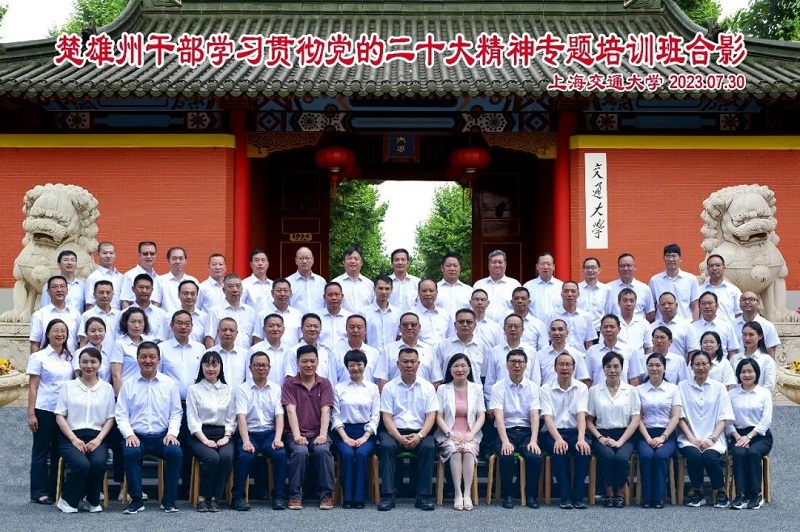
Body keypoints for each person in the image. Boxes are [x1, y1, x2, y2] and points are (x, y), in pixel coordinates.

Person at [115, 341, 183, 514]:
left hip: (162, 436)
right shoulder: (128, 384)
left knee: (175, 452)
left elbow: (176, 413)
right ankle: (136, 500)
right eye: (143, 357)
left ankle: (169, 501)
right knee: (130, 453)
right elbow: (121, 414)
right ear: (137, 359)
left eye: (152, 357)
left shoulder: (169, 384)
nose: (148, 360)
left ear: (159, 359)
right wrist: (129, 434)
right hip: (137, 436)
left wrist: (172, 433)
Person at [53, 347, 115, 513]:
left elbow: (110, 418)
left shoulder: (107, 388)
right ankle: (67, 500)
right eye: (85, 362)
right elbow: (59, 415)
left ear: (100, 364)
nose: (89, 365)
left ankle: (91, 500)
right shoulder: (69, 386)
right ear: (79, 364)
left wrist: (99, 439)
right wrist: (73, 439)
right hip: (70, 436)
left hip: (96, 436)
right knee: (81, 464)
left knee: (98, 462)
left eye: (93, 362)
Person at [378, 347, 439, 511]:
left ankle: (423, 496)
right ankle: (388, 496)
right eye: (405, 362)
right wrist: (399, 437)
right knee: (387, 446)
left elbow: (431, 417)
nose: (409, 365)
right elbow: (386, 417)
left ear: (418, 364)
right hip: (394, 432)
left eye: (412, 362)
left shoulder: (427, 387)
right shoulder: (389, 387)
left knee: (429, 447)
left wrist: (419, 436)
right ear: (398, 364)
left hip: (420, 431)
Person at [26, 318, 75, 505]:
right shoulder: (39, 357)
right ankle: (39, 492)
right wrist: (31, 414)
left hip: (64, 411)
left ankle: (56, 490)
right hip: (44, 408)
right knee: (41, 451)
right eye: (55, 330)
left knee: (58, 451)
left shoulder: (69, 357)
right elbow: (33, 387)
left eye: (63, 331)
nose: (59, 334)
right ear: (47, 334)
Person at [231, 351, 288, 511]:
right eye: (257, 365)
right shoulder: (242, 389)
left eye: (264, 365)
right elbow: (241, 417)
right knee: (244, 456)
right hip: (249, 433)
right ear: (250, 368)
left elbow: (279, 416)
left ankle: (279, 496)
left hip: (270, 433)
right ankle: (238, 497)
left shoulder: (276, 389)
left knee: (280, 454)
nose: (261, 368)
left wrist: (278, 438)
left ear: (269, 368)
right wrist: (246, 441)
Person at [678, 350, 735, 508]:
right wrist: (691, 438)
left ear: (710, 366)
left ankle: (721, 492)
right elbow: (679, 417)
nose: (701, 367)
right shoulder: (682, 387)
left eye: (704, 364)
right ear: (691, 367)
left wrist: (712, 438)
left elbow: (724, 417)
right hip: (689, 437)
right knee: (694, 456)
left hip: (714, 437)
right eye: (696, 364)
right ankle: (697, 491)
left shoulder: (719, 388)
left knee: (710, 457)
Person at [281, 344, 336, 510]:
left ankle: (326, 495)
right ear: (297, 363)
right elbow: (290, 411)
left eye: (312, 361)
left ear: (318, 362)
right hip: (295, 433)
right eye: (304, 361)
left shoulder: (324, 384)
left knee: (323, 450)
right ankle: (294, 495)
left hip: (318, 432)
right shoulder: (290, 384)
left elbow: (326, 410)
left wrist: (323, 435)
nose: (309, 365)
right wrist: (297, 436)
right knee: (300, 451)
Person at [586, 351, 641, 508]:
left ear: (622, 368)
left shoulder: (631, 390)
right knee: (608, 456)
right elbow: (589, 420)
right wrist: (600, 437)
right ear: (603, 369)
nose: (612, 370)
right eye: (608, 366)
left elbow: (635, 419)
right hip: (602, 434)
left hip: (625, 435)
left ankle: (621, 493)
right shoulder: (594, 391)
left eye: (616, 366)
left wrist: (620, 441)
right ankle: (609, 493)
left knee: (621, 458)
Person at [489, 349, 543, 509]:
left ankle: (531, 495)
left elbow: (534, 415)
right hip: (505, 431)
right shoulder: (498, 387)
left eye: (520, 362)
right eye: (513, 362)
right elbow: (498, 416)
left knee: (534, 456)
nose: (517, 365)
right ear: (507, 365)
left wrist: (534, 440)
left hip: (526, 432)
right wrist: (505, 441)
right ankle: (508, 495)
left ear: (526, 365)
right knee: (506, 455)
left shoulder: (533, 387)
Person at [540, 352, 591, 510]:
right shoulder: (546, 389)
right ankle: (565, 496)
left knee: (584, 450)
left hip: (575, 432)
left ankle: (578, 496)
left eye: (568, 364)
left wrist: (581, 438)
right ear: (554, 368)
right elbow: (547, 418)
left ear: (574, 368)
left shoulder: (581, 388)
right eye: (561, 364)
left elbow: (581, 415)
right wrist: (558, 439)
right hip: (553, 433)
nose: (564, 368)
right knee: (559, 451)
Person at [434, 353, 485, 511]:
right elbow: (438, 416)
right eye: (456, 366)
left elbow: (481, 415)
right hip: (448, 434)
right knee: (455, 450)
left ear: (469, 368)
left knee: (468, 451)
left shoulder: (477, 389)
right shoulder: (442, 389)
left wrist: (471, 434)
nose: (460, 369)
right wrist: (449, 433)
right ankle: (457, 493)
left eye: (463, 365)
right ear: (450, 369)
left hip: (470, 433)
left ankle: (467, 493)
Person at [186, 351, 235, 512]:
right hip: (200, 435)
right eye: (207, 365)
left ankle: (215, 497)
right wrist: (205, 440)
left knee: (226, 456)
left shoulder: (228, 390)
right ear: (201, 367)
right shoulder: (194, 389)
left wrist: (226, 436)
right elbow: (192, 419)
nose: (211, 369)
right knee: (212, 458)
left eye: (215, 365)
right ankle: (202, 496)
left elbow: (231, 417)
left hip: (223, 433)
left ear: (220, 367)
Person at [332, 349, 380, 509]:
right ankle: (347, 496)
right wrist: (345, 437)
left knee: (360, 454)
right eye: (352, 365)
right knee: (346, 454)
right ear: (347, 367)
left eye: (359, 364)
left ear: (365, 366)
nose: (356, 368)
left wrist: (365, 437)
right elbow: (335, 416)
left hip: (366, 433)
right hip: (343, 432)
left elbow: (375, 416)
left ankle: (359, 497)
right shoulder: (339, 388)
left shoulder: (373, 388)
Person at [636, 353, 682, 509]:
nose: (654, 368)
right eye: (651, 365)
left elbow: (676, 416)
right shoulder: (639, 390)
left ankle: (659, 497)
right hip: (645, 433)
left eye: (658, 365)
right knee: (646, 455)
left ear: (664, 368)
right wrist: (648, 438)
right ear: (646, 368)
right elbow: (637, 418)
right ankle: (647, 497)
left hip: (667, 434)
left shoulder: (673, 389)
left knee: (661, 456)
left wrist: (663, 437)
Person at [727, 358, 773, 510]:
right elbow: (727, 419)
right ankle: (740, 494)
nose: (747, 375)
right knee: (739, 453)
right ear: (738, 374)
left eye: (750, 371)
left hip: (760, 435)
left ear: (756, 373)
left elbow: (766, 420)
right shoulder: (732, 394)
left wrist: (749, 437)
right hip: (738, 435)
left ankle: (755, 495)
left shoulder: (764, 393)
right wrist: (737, 436)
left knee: (753, 453)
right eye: (743, 372)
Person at [585, 315, 642, 387]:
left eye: (612, 327)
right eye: (605, 327)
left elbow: (634, 378)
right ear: (600, 329)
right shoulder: (591, 351)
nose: (608, 330)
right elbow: (588, 380)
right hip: (598, 393)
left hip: (623, 392)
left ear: (619, 329)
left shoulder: (629, 351)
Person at [435, 308, 490, 382]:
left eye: (469, 322)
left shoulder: (482, 347)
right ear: (455, 325)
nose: (465, 325)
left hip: (475, 388)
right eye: (461, 322)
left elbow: (483, 374)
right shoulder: (443, 346)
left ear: (475, 325)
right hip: (449, 388)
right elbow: (438, 373)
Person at [205, 273, 257, 350]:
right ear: (223, 290)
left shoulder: (251, 311)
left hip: (246, 355)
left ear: (242, 289)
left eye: (238, 286)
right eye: (231, 286)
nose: (235, 290)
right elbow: (209, 339)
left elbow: (256, 339)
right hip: (221, 355)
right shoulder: (215, 311)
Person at [30, 276, 81, 354]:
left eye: (62, 286)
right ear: (48, 291)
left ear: (67, 291)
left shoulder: (75, 314)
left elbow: (80, 342)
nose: (59, 290)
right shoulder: (39, 315)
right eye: (55, 287)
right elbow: (35, 343)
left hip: (71, 359)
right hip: (47, 360)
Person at [648, 244, 700, 321]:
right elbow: (651, 307)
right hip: (662, 325)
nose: (671, 259)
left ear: (680, 259)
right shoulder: (655, 281)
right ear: (664, 259)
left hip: (685, 323)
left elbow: (695, 306)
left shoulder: (691, 279)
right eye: (668, 256)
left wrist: (695, 324)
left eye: (674, 256)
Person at [111, 307, 152, 395]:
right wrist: (120, 397)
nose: (136, 325)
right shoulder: (120, 344)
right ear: (126, 323)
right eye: (133, 321)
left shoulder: (149, 343)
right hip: (127, 392)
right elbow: (116, 375)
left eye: (140, 322)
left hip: (146, 391)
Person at [604, 253, 655, 323]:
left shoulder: (644, 288)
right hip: (616, 327)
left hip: (638, 327)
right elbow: (605, 312)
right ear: (618, 268)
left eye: (628, 265)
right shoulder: (608, 288)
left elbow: (650, 314)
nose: (625, 269)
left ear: (635, 267)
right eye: (622, 266)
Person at [474, 250, 520, 322]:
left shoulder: (514, 284)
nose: (497, 265)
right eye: (493, 262)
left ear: (505, 264)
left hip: (508, 326)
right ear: (488, 265)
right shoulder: (479, 285)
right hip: (483, 326)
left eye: (500, 262)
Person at [650, 291, 699, 360]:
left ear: (676, 305)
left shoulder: (686, 326)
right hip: (656, 365)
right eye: (663, 304)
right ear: (658, 307)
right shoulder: (652, 327)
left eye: (670, 303)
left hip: (679, 366)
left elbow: (693, 351)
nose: (666, 306)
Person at [730, 321, 776, 392]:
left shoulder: (767, 360)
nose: (747, 338)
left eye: (751, 335)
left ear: (760, 336)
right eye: (744, 335)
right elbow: (732, 385)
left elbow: (769, 386)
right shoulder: (735, 359)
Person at [692, 292, 740, 357]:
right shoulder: (692, 327)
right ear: (699, 306)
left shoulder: (726, 327)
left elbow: (733, 351)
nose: (707, 306)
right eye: (703, 303)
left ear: (717, 306)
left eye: (710, 303)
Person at [249, 313, 292, 387]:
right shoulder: (255, 350)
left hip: (285, 392)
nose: (275, 329)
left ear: (283, 329)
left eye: (278, 326)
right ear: (264, 329)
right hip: (261, 391)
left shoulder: (289, 350)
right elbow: (250, 377)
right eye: (271, 326)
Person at [79, 280, 121, 352]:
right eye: (101, 292)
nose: (105, 296)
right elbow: (83, 342)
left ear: (113, 294)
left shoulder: (119, 315)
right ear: (94, 294)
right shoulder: (87, 315)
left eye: (108, 292)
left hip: (116, 355)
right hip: (95, 356)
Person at [734, 293, 780, 358]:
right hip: (737, 362)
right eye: (743, 299)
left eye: (751, 299)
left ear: (758, 302)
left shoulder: (768, 326)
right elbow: (731, 350)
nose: (747, 302)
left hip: (760, 363)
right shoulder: (732, 325)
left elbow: (770, 350)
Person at [699, 254, 741, 323]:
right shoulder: (699, 290)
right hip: (705, 329)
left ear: (724, 268)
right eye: (711, 266)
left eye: (718, 265)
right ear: (707, 269)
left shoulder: (734, 290)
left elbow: (739, 314)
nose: (714, 268)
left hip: (728, 329)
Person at [333, 246, 375, 315]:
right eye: (349, 258)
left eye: (356, 259)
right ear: (344, 262)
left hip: (365, 321)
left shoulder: (370, 284)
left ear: (361, 263)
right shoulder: (335, 283)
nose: (352, 261)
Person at [365, 274, 401, 354]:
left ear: (392, 289)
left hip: (392, 355)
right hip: (371, 355)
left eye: (387, 289)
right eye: (380, 288)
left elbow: (399, 336)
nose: (384, 292)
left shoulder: (398, 313)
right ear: (374, 288)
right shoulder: (364, 312)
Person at [121, 241, 163, 309]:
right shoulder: (130, 276)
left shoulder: (158, 278)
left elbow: (157, 302)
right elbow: (125, 302)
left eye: (152, 254)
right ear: (139, 255)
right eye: (145, 254)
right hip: (134, 314)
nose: (149, 256)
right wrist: (129, 315)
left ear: (156, 255)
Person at [523, 251, 563, 322]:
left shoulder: (561, 286)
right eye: (542, 264)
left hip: (556, 327)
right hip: (534, 327)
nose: (545, 267)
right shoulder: (528, 286)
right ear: (537, 266)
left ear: (553, 267)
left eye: (548, 264)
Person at [577, 257, 610, 340]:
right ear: (583, 270)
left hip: (599, 332)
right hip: (580, 332)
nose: (590, 270)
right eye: (587, 267)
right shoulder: (576, 289)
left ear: (599, 270)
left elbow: (608, 311)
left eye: (593, 267)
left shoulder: (606, 289)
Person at [158, 247, 199, 315]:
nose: (177, 261)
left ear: (186, 261)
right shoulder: (160, 280)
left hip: (189, 319)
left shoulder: (193, 280)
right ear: (168, 260)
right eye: (174, 258)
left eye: (181, 258)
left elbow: (197, 304)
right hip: (167, 320)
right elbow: (156, 305)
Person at [129, 274, 170, 342]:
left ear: (152, 290)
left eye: (147, 288)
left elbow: (164, 338)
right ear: (133, 289)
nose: (144, 291)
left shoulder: (162, 314)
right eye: (141, 287)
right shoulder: (125, 313)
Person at [84, 241, 123, 310]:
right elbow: (90, 304)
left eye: (111, 253)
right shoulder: (93, 277)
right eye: (104, 253)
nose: (108, 256)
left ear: (115, 255)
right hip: (99, 316)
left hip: (118, 315)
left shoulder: (121, 277)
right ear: (98, 254)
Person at [289, 246, 327, 315]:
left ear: (313, 260)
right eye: (301, 258)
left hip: (319, 320)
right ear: (296, 260)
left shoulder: (321, 281)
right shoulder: (288, 282)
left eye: (307, 258)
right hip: (297, 320)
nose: (304, 261)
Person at [415, 279, 454, 345]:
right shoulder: (411, 315)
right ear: (418, 293)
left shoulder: (445, 314)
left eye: (431, 291)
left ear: (436, 293)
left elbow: (451, 336)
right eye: (424, 291)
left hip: (443, 351)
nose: (428, 294)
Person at [76, 317, 113, 383]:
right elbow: (78, 378)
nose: (97, 334)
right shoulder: (79, 352)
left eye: (100, 330)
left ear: (105, 332)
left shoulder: (109, 353)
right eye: (93, 331)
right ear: (86, 333)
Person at [318, 281, 352, 347]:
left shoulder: (350, 318)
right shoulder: (316, 317)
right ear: (324, 297)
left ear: (342, 296)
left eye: (336, 294)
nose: (334, 298)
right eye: (330, 295)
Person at [389, 248, 420, 312]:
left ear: (408, 263)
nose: (400, 262)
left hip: (411, 318)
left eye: (403, 260)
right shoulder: (385, 282)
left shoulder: (417, 282)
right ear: (392, 263)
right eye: (396, 260)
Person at [177, 279, 207, 344]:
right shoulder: (169, 316)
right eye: (185, 293)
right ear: (178, 295)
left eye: (193, 294)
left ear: (197, 295)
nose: (189, 297)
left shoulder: (205, 318)